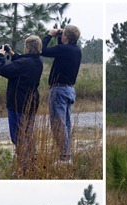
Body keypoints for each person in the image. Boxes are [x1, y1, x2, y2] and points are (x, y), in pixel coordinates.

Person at [0, 35, 44, 176]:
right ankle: (31, 166)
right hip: (31, 104)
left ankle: (24, 169)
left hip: (18, 105)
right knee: (28, 136)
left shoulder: (24, 64)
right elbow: (22, 62)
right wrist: (11, 53)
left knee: (19, 138)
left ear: (27, 47)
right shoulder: (37, 62)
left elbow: (3, 70)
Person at [41, 25, 82, 163]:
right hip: (69, 90)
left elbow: (43, 50)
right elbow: (62, 51)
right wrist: (60, 36)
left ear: (67, 37)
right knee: (65, 125)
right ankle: (66, 155)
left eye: (63, 33)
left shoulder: (64, 49)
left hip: (59, 90)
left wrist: (50, 35)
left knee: (58, 124)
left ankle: (64, 158)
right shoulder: (76, 50)